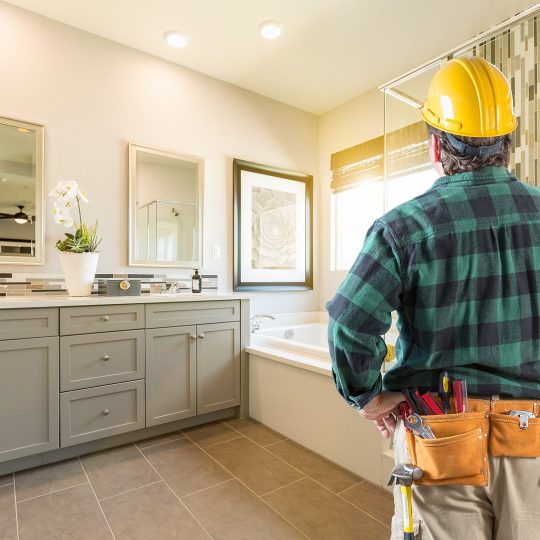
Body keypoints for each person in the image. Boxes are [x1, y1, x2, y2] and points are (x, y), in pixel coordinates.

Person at [327, 56, 540, 540]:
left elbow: (348, 323)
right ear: (507, 143)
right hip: (534, 436)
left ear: (434, 147)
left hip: (440, 430)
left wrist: (368, 395)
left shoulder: (403, 227)